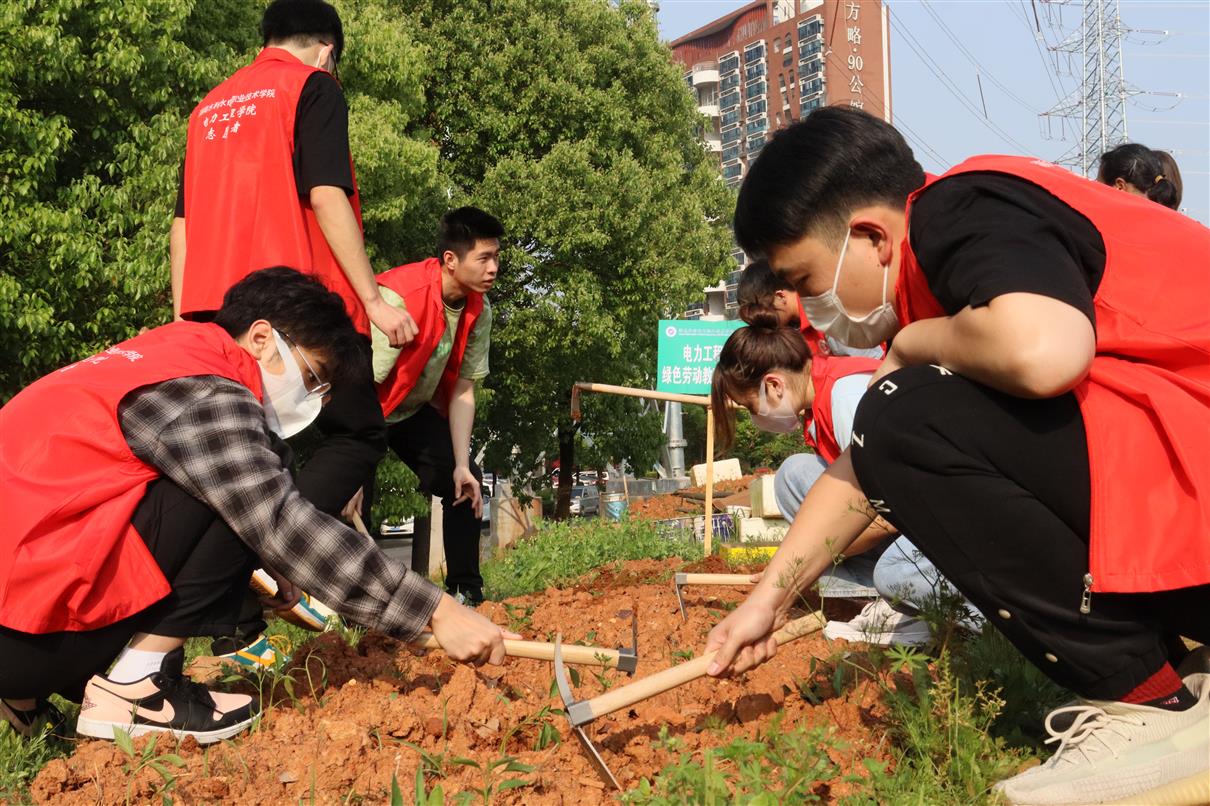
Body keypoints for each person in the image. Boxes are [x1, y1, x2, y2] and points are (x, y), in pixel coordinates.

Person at [705, 107, 1209, 805]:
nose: (808, 309)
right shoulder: (943, 277)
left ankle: (1151, 705)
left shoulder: (961, 207)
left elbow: (1046, 351)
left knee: (898, 412)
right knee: (896, 419)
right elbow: (861, 468)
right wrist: (770, 599)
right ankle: (1179, 672)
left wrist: (912, 347)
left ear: (873, 237)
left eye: (808, 282)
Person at [0, 269, 513, 744]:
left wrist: (256, 566)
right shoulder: (210, 392)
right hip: (24, 629)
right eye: (314, 377)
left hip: (18, 617)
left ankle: (20, 697)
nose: (313, 398)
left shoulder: (167, 353)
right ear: (262, 337)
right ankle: (138, 688)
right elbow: (278, 520)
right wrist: (437, 610)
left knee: (250, 480)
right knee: (251, 495)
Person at [171, 0, 413, 532]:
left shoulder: (208, 108)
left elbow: (182, 226)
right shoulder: (312, 87)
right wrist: (372, 300)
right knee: (359, 434)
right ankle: (278, 544)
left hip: (212, 312)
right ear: (327, 50)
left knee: (235, 453)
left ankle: (234, 595)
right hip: (292, 304)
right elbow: (327, 195)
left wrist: (182, 324)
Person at [711, 321, 974, 646]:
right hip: (914, 522)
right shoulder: (818, 400)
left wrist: (816, 557)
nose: (756, 416)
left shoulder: (848, 397)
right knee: (794, 475)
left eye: (752, 407)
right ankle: (881, 589)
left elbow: (889, 514)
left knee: (895, 575)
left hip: (951, 521)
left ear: (774, 385)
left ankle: (918, 614)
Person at [366, 208, 501, 606]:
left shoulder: (480, 310)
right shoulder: (400, 297)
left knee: (465, 483)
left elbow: (463, 391)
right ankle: (354, 608)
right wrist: (355, 467)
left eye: (496, 257)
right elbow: (358, 385)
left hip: (410, 410)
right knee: (349, 498)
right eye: (484, 258)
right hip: (364, 408)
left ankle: (465, 590)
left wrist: (460, 462)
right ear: (450, 261)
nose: (493, 268)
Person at [737, 258, 883, 359]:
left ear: (780, 297)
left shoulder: (828, 316)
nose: (763, 322)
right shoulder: (794, 330)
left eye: (762, 312)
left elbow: (871, 367)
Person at [1096, 142, 1181, 210]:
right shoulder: (1178, 226)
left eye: (1099, 186)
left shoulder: (1115, 228)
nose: (1095, 192)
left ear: (1120, 186)